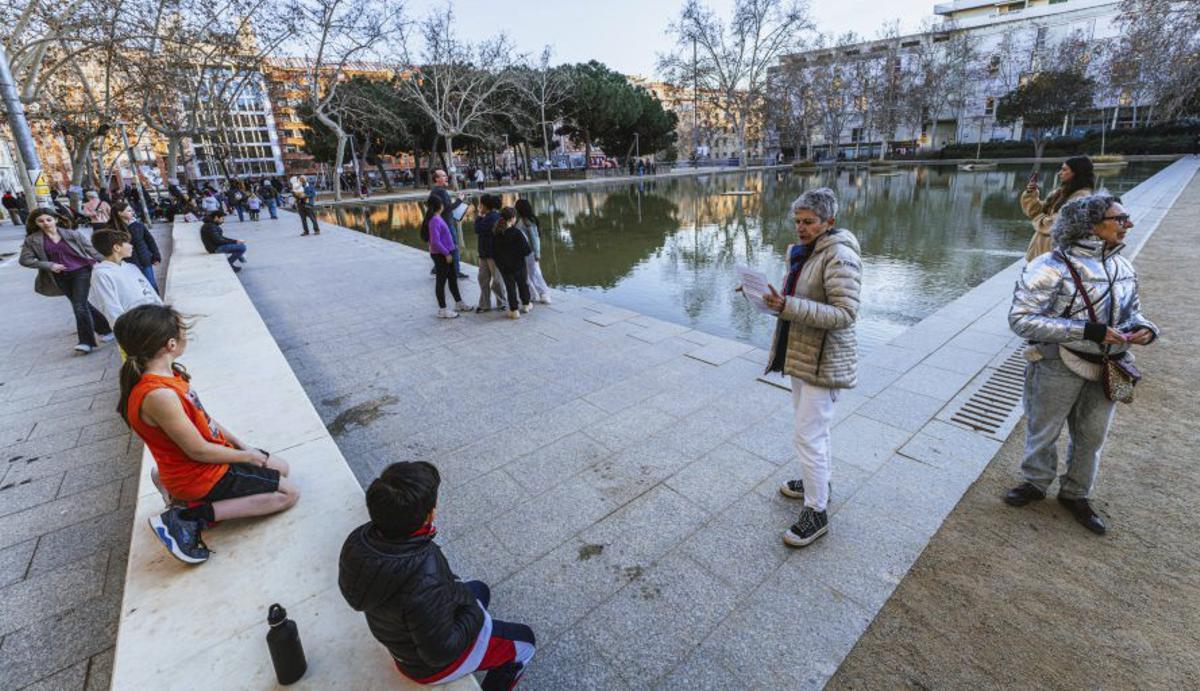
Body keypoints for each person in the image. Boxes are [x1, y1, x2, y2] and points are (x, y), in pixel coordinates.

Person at [1005, 194, 1156, 535]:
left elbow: (1133, 312)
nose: (1127, 224)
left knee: (1091, 435)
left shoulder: (1123, 266)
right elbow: (1021, 320)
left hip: (1108, 364)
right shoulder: (1047, 267)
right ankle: (1035, 482)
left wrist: (1145, 329)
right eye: (1119, 218)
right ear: (1090, 226)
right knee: (1043, 430)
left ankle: (1076, 493)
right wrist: (1086, 330)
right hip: (1058, 361)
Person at [115, 304, 300, 564]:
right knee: (287, 493)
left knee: (282, 468)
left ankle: (173, 489)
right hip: (201, 472)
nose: (185, 337)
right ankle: (189, 517)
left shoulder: (167, 376)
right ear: (170, 344)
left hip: (200, 463)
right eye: (182, 333)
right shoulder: (158, 395)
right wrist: (245, 457)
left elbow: (202, 416)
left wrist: (240, 445)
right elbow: (198, 450)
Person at [339, 462, 536, 689]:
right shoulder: (424, 574)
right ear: (429, 515)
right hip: (430, 667)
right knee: (525, 643)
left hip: (401, 640)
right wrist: (475, 613)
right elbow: (440, 652)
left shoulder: (359, 541)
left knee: (480, 588)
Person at [759, 188, 862, 548]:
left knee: (808, 435)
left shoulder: (840, 255)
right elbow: (799, 300)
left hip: (824, 360)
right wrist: (766, 299)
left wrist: (787, 305)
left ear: (828, 223)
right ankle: (820, 480)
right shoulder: (805, 252)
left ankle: (816, 512)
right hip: (803, 353)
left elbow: (845, 314)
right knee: (814, 433)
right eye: (797, 221)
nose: (800, 228)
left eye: (809, 222)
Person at [19, 209, 114, 354]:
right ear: (36, 223)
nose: (45, 223)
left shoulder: (72, 234)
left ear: (56, 220)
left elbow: (91, 251)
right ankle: (105, 329)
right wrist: (49, 265)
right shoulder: (32, 240)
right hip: (59, 277)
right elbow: (25, 260)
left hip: (81, 271)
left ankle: (86, 342)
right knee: (81, 304)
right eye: (41, 221)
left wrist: (112, 264)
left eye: (48, 219)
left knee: (79, 305)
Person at [1021, 156, 1095, 262]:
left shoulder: (1081, 198)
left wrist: (1037, 219)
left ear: (1077, 172)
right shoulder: (1061, 192)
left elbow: (1057, 224)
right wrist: (1031, 194)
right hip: (1041, 251)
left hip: (1054, 254)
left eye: (1064, 170)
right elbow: (1036, 212)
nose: (1059, 173)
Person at [87, 228, 162, 328]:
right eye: (127, 243)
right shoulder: (101, 274)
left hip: (153, 318)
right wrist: (124, 330)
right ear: (117, 248)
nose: (131, 246)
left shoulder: (132, 267)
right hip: (133, 326)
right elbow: (109, 306)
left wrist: (163, 311)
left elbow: (151, 292)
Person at [423, 195, 469, 319]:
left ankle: (459, 303)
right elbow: (435, 242)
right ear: (439, 206)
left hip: (448, 253)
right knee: (441, 281)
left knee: (453, 278)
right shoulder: (434, 220)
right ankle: (442, 309)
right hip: (442, 255)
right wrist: (446, 253)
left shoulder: (437, 217)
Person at [106, 201, 162, 293]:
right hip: (127, 264)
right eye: (128, 211)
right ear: (120, 213)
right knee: (136, 289)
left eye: (131, 210)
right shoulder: (112, 229)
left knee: (151, 285)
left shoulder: (138, 225)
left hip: (145, 261)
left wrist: (156, 255)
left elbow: (150, 241)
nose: (132, 212)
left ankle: (158, 305)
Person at [493, 207, 533, 319]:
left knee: (510, 287)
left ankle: (514, 310)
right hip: (519, 265)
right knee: (523, 284)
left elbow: (494, 252)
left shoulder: (497, 233)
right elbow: (527, 250)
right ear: (512, 218)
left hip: (505, 267)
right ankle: (526, 304)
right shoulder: (517, 233)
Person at [427, 169, 467, 278]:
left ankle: (436, 268)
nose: (446, 177)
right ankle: (456, 272)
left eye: (445, 176)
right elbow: (447, 208)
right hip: (446, 224)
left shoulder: (434, 191)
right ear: (437, 179)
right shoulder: (441, 192)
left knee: (445, 245)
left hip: (441, 223)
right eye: (443, 176)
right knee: (454, 247)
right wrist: (460, 200)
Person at [473, 194, 508, 313]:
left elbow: (477, 229)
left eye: (481, 204)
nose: (479, 206)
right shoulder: (488, 216)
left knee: (495, 279)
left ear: (485, 206)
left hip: (492, 254)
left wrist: (478, 216)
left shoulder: (492, 217)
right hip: (485, 254)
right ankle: (486, 304)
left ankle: (500, 303)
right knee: (483, 278)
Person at [514, 199, 551, 304]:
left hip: (530, 253)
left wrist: (537, 253)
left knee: (535, 274)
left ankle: (544, 293)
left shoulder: (527, 222)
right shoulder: (521, 221)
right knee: (526, 275)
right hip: (523, 253)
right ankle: (532, 295)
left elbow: (535, 239)